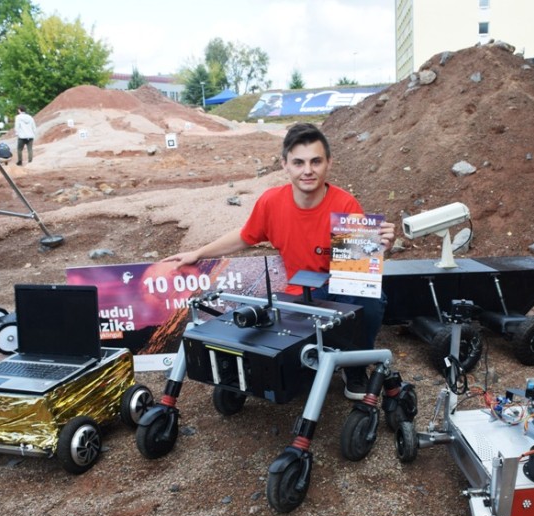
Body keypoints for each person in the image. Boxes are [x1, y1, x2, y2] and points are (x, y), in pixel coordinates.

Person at [165, 123, 396, 399]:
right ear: (285, 164)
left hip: (337, 288)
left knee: (370, 300)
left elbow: (358, 271)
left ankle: (354, 366)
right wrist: (199, 253)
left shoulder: (345, 204)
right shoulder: (271, 202)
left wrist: (381, 244)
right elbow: (245, 236)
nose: (307, 170)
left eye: (316, 161)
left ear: (329, 163)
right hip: (296, 294)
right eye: (298, 162)